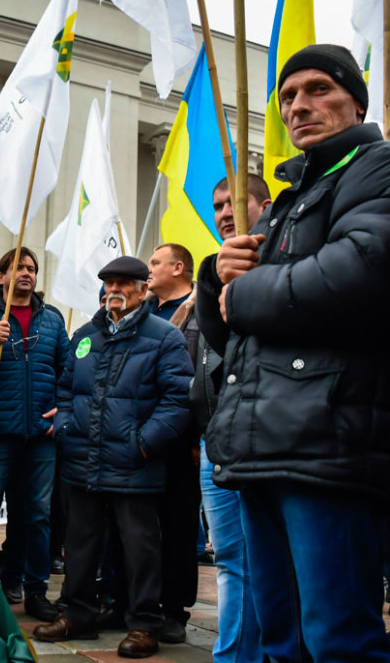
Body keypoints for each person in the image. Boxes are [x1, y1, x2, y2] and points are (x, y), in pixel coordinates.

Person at [198, 43, 390, 661]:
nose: (299, 106)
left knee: (338, 640)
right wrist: (216, 278)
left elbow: (361, 268)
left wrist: (247, 292)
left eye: (318, 90)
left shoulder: (377, 167)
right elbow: (236, 339)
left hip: (328, 445)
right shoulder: (286, 201)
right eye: (287, 97)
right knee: (282, 641)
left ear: (355, 100)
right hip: (263, 446)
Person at [34, 256, 192, 659]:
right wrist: (68, 428)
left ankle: (143, 625)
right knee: (81, 544)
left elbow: (178, 401)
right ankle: (79, 614)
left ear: (142, 288)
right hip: (83, 460)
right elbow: (66, 389)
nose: (113, 290)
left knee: (141, 549)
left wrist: (143, 443)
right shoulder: (86, 334)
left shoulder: (163, 337)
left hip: (134, 464)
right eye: (108, 283)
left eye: (123, 283)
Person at [0, 247, 71, 623]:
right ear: (1, 275)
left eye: (31, 268)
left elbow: (68, 370)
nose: (26, 273)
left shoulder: (53, 320)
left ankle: (35, 590)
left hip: (41, 435)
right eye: (17, 268)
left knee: (37, 515)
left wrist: (62, 408)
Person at [191, 173, 271, 663]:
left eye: (236, 204)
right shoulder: (214, 269)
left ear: (265, 206)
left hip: (267, 437)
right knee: (231, 563)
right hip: (218, 439)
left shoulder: (283, 260)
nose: (225, 213)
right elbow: (218, 347)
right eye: (218, 205)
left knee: (262, 562)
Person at [145, 242, 200, 643]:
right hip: (143, 436)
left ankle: (174, 610)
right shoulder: (143, 310)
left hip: (183, 437)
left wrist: (198, 430)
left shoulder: (201, 310)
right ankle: (139, 601)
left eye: (154, 262)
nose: (148, 270)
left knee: (179, 525)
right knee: (143, 526)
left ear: (178, 267)